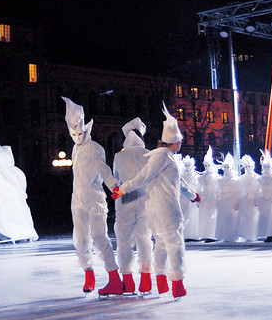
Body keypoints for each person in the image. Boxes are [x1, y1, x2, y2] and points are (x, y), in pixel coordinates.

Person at [113, 102, 190, 298]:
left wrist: (121, 188)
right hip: (164, 207)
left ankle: (157, 282)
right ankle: (176, 283)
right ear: (174, 142)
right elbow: (143, 177)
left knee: (157, 243)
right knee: (171, 243)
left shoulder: (154, 156)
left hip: (151, 207)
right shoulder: (159, 156)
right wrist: (122, 189)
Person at [62, 96, 123, 295]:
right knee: (80, 239)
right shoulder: (74, 149)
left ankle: (115, 279)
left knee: (99, 237)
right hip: (77, 200)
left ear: (86, 130)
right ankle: (89, 274)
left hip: (95, 199)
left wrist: (114, 185)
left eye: (80, 132)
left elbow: (103, 169)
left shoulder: (95, 148)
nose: (78, 136)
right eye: (74, 133)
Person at [112, 117, 153, 294]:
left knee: (123, 241)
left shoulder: (119, 156)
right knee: (144, 238)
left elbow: (116, 177)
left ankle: (127, 279)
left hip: (125, 202)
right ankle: (146, 278)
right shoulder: (149, 154)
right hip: (146, 201)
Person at [196, 147, 220, 242]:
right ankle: (205, 234)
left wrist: (218, 198)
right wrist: (198, 199)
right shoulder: (201, 177)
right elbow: (198, 188)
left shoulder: (216, 177)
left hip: (213, 197)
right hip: (204, 198)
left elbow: (219, 188)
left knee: (212, 216)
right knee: (204, 216)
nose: (207, 167)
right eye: (205, 165)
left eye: (208, 165)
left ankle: (213, 235)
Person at [215, 153, 240, 242]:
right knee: (222, 218)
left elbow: (238, 192)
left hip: (231, 202)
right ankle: (224, 236)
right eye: (224, 167)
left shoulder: (236, 180)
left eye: (227, 167)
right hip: (223, 202)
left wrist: (237, 202)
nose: (226, 169)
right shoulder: (220, 180)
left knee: (231, 218)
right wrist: (217, 200)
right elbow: (218, 191)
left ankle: (232, 236)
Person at [235, 154, 260, 242]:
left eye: (250, 166)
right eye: (246, 167)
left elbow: (259, 189)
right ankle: (245, 234)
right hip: (244, 200)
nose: (248, 168)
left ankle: (253, 235)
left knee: (253, 217)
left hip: (253, 200)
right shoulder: (241, 178)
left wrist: (257, 199)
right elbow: (238, 190)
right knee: (244, 217)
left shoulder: (257, 177)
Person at [180, 155, 201, 241]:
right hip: (184, 199)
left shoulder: (196, 176)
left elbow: (199, 186)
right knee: (185, 215)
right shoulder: (181, 176)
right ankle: (186, 234)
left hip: (193, 198)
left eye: (189, 165)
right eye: (186, 165)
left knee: (194, 216)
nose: (187, 167)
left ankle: (194, 235)